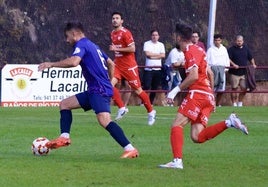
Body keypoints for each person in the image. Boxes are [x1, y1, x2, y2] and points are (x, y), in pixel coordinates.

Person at [38, 21, 139, 159]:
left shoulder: (82, 44)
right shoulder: (93, 46)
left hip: (99, 90)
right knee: (65, 104)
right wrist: (110, 83)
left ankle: (130, 148)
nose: (67, 40)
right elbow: (111, 63)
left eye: (67, 37)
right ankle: (64, 137)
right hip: (95, 89)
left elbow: (74, 62)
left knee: (104, 121)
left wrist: (51, 64)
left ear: (74, 34)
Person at [159, 24, 248, 169]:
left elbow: (194, 76)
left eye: (175, 36)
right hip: (206, 95)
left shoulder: (190, 51)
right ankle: (229, 122)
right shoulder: (199, 50)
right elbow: (210, 73)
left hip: (198, 94)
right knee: (197, 137)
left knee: (177, 125)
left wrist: (175, 90)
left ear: (179, 37)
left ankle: (177, 161)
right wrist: (211, 95)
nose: (174, 38)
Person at [109, 11, 156, 125]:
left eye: (117, 18)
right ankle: (122, 108)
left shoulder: (126, 33)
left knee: (138, 90)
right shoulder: (112, 33)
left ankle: (151, 111)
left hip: (129, 66)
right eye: (113, 18)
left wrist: (117, 49)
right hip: (118, 65)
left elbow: (132, 49)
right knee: (109, 86)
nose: (115, 20)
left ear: (122, 21)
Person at [228, 35, 257, 107]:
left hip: (244, 73)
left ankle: (240, 103)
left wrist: (253, 64)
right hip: (234, 73)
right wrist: (234, 65)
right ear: (235, 41)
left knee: (244, 88)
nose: (239, 42)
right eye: (238, 41)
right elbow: (228, 59)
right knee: (234, 88)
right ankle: (234, 103)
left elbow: (251, 57)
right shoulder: (231, 49)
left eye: (240, 41)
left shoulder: (246, 49)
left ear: (243, 41)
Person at [206, 34, 230, 107]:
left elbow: (226, 59)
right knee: (212, 88)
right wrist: (209, 70)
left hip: (222, 71)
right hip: (213, 71)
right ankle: (210, 103)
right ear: (214, 41)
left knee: (221, 89)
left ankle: (217, 103)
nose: (217, 42)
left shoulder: (224, 49)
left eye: (218, 40)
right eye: (216, 40)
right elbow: (207, 61)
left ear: (221, 40)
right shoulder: (210, 50)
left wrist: (226, 69)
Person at [143, 29, 166, 104]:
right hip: (148, 69)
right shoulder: (147, 43)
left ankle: (150, 102)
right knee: (146, 86)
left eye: (156, 35)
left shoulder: (161, 45)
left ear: (158, 36)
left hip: (158, 69)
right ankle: (144, 102)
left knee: (154, 87)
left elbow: (163, 55)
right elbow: (147, 54)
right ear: (151, 36)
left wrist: (153, 55)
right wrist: (158, 55)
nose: (154, 37)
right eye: (153, 35)